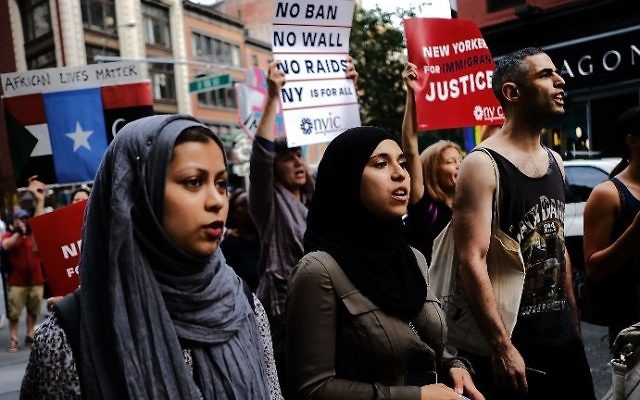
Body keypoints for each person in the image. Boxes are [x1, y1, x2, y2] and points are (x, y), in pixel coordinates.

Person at [20, 115, 282, 399]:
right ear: (137, 194)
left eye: (221, 183)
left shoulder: (243, 304)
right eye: (194, 181)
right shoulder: (68, 336)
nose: (216, 200)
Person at [287, 126, 484, 400]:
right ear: (347, 179)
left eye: (402, 164)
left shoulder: (412, 258)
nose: (400, 173)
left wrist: (454, 365)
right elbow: (313, 389)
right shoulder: (318, 272)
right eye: (380, 164)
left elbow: (426, 339)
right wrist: (417, 397)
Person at [452, 47, 595, 399]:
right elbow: (471, 259)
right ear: (512, 93)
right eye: (545, 74)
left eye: (557, 72)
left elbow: (558, 248)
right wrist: (501, 346)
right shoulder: (482, 164)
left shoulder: (555, 161)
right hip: (516, 347)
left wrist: (573, 322)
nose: (560, 80)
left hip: (563, 340)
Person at [249, 57, 358, 387]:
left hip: (330, 307)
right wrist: (272, 97)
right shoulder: (268, 205)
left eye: (299, 154)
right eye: (287, 157)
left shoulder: (318, 196)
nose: (297, 161)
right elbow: (260, 157)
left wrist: (348, 93)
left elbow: (349, 158)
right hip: (286, 315)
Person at [583, 106, 640, 348]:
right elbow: (593, 267)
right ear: (632, 141)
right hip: (631, 324)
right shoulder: (608, 194)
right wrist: (635, 230)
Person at [401, 62, 463, 263]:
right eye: (451, 161)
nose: (459, 165)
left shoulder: (468, 205)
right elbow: (410, 149)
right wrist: (412, 93)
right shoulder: (423, 204)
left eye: (460, 160)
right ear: (432, 170)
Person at [1, 209, 44, 353]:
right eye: (20, 219)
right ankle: (14, 338)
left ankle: (30, 333)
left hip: (35, 279)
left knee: (33, 309)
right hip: (16, 281)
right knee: (14, 312)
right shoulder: (10, 234)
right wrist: (18, 232)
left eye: (26, 219)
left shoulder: (33, 235)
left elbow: (40, 247)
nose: (24, 221)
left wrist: (30, 231)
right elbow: (6, 245)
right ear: (14, 221)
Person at [221, 189, 261, 291]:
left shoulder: (267, 242)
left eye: (251, 203)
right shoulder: (229, 245)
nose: (249, 208)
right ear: (234, 213)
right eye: (243, 204)